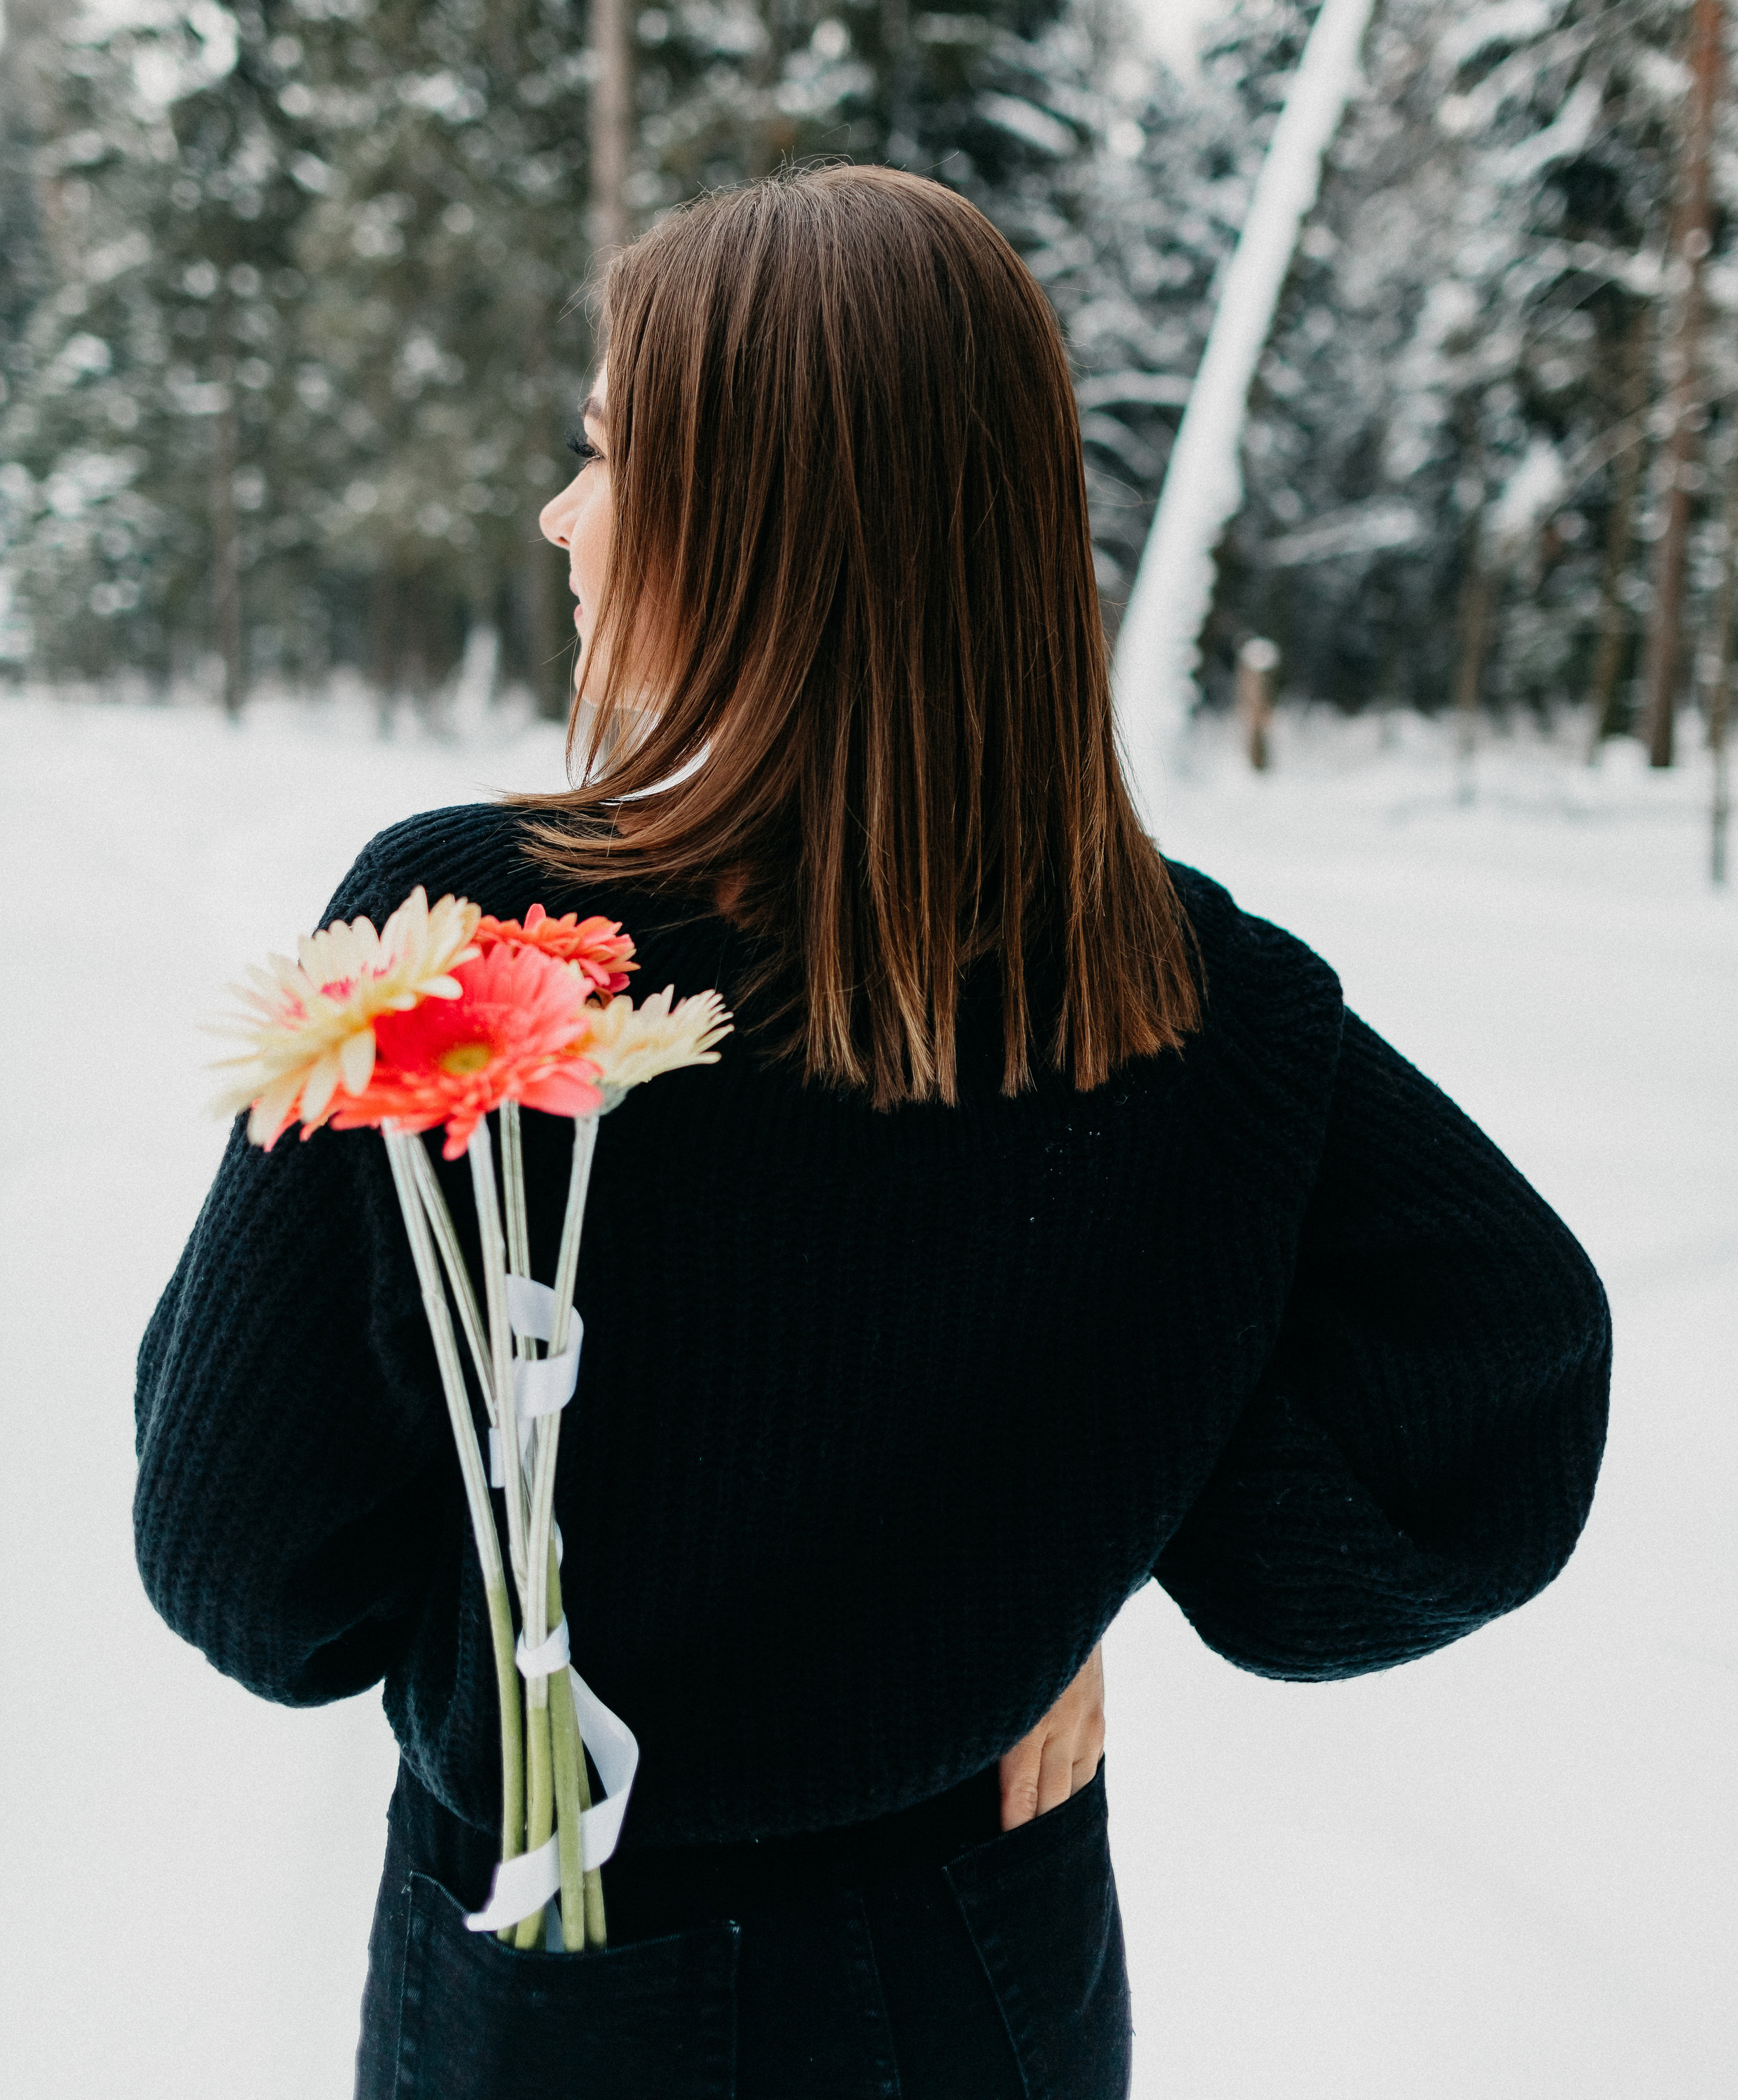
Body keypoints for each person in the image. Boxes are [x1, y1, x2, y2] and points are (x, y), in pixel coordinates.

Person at [134, 168, 1612, 2100]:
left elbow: (247, 1570)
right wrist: (1061, 1558)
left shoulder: (481, 938)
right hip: (987, 1970)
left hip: (573, 1977)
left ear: (749, 525)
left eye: (601, 456)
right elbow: (1497, 1377)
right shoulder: (1182, 987)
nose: (561, 518)